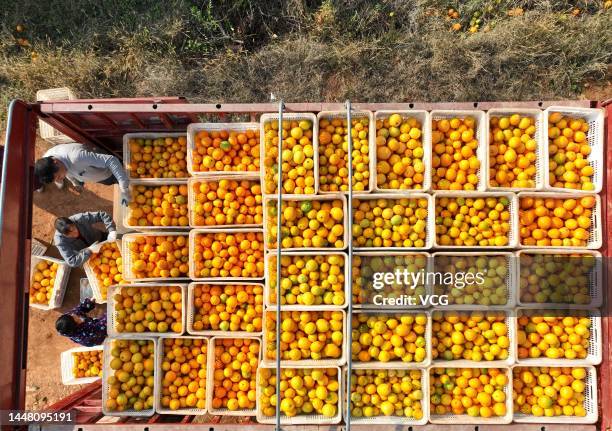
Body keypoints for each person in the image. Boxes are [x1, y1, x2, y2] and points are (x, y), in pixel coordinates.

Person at [34, 143, 131, 205]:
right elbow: (67, 173)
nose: (60, 179)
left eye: (59, 176)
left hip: (108, 172)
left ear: (56, 162)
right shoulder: (47, 159)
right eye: (57, 179)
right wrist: (75, 182)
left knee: (126, 180)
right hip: (97, 177)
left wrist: (124, 189)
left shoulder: (77, 157)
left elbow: (111, 161)